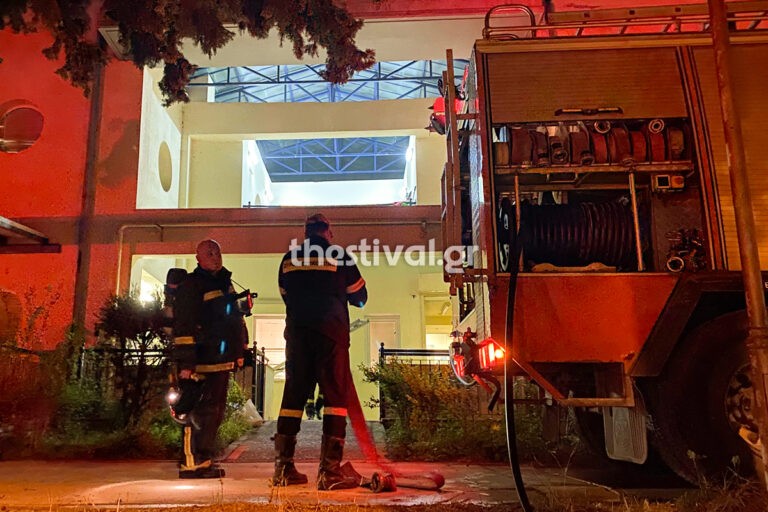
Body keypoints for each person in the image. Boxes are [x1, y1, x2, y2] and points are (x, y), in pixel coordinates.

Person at [273, 213, 368, 490]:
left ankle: (283, 469)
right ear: (327, 232)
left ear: (306, 233)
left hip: (297, 337)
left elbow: (285, 295)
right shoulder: (340, 256)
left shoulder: (288, 259)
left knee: (292, 398)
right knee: (335, 399)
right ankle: (329, 472)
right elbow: (360, 298)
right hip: (330, 336)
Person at [171, 239, 249, 479]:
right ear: (198, 259)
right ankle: (191, 462)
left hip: (220, 360)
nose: (215, 257)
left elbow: (234, 320)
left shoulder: (225, 284)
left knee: (214, 413)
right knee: (196, 411)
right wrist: (186, 364)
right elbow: (184, 326)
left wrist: (240, 351)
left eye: (217, 253)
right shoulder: (191, 285)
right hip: (200, 361)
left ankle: (204, 460)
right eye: (209, 253)